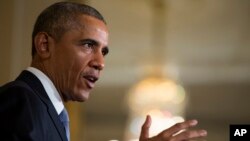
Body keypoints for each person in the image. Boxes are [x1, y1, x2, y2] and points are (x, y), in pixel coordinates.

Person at [0, 2, 207, 141]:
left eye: (104, 52)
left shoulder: (49, 111)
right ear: (44, 45)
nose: (100, 62)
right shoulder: (20, 100)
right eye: (88, 45)